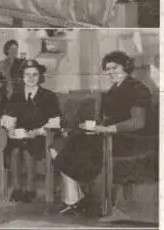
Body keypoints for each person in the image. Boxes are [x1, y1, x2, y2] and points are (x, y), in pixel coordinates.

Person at [53, 50, 152, 217]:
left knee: (74, 146)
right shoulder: (115, 88)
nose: (110, 72)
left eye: (115, 68)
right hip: (110, 135)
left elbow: (138, 122)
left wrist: (104, 129)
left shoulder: (138, 89)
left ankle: (78, 200)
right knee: (59, 144)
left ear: (126, 67)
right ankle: (75, 199)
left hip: (131, 139)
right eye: (108, 69)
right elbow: (109, 118)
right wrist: (94, 127)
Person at [1, 59, 61, 203]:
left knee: (28, 149)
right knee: (14, 149)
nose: (31, 78)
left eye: (35, 75)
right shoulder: (16, 96)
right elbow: (8, 118)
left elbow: (55, 122)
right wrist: (10, 130)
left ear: (40, 77)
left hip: (41, 137)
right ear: (22, 77)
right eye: (27, 75)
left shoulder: (48, 96)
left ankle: (30, 188)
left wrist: (36, 131)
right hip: (19, 137)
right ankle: (16, 188)